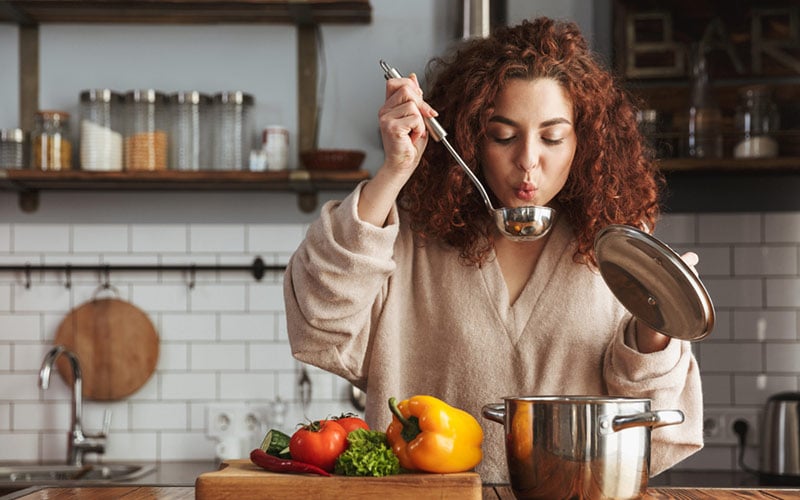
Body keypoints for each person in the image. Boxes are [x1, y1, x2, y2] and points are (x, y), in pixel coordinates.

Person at [283, 17, 703, 482]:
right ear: (470, 139)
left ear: (584, 143)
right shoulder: (409, 240)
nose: (528, 160)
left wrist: (656, 325)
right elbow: (319, 323)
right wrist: (395, 170)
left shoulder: (620, 251)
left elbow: (654, 422)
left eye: (552, 137)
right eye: (503, 135)